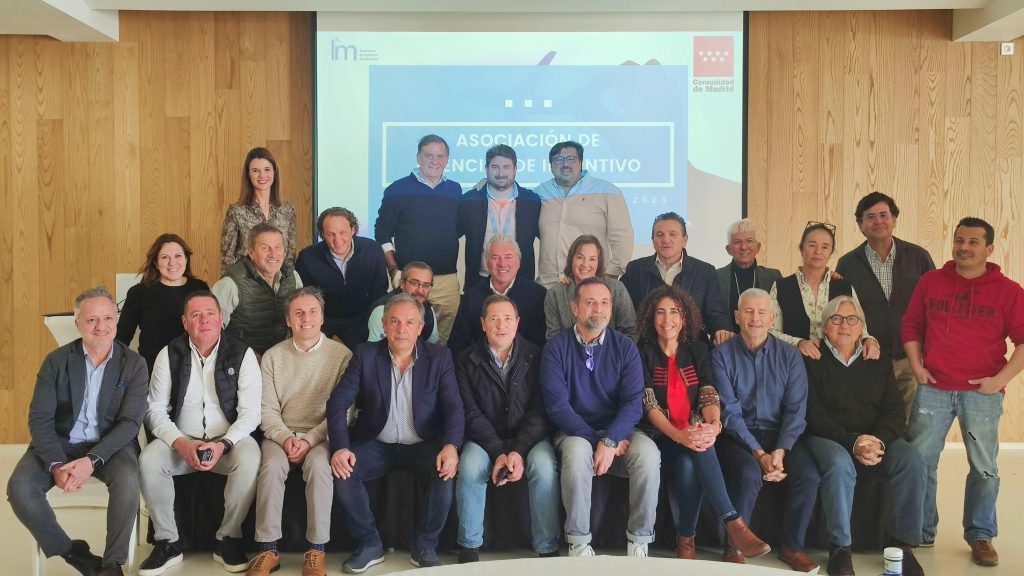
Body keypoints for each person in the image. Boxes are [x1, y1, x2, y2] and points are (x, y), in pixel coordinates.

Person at [903, 216, 1024, 568]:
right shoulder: (931, 282)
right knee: (920, 461)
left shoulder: (1009, 291)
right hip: (934, 389)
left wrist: (999, 380)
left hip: (981, 394)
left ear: (989, 249)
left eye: (973, 242)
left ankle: (980, 535)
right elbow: (911, 325)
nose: (964, 247)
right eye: (959, 240)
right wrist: (917, 366)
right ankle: (921, 530)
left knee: (984, 467)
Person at [7, 287, 148, 576]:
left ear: (116, 321)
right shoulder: (56, 361)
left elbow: (129, 423)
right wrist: (55, 464)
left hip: (110, 446)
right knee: (19, 488)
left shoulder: (134, 363)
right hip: (60, 443)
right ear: (77, 324)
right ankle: (74, 553)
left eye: (108, 318)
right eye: (92, 320)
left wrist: (91, 461)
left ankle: (112, 565)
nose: (101, 326)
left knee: (127, 480)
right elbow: (40, 419)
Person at [327, 294, 464, 572]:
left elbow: (454, 408)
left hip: (423, 443)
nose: (402, 329)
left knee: (446, 472)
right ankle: (369, 544)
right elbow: (337, 404)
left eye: (409, 322)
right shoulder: (365, 355)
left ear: (420, 328)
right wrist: (340, 447)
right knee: (344, 471)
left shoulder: (439, 358)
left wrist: (451, 446)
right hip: (377, 442)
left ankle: (425, 545)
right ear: (384, 325)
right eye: (395, 321)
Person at [635, 285, 769, 562]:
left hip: (694, 434)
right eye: (660, 312)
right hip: (660, 437)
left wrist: (714, 424)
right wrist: (678, 435)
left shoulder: (697, 349)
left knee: (690, 460)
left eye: (674, 312)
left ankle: (686, 539)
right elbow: (649, 405)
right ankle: (733, 524)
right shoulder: (642, 352)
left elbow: (709, 393)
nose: (667, 319)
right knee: (695, 448)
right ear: (651, 317)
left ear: (684, 317)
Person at [138, 291, 262, 576]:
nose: (204, 320)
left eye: (209, 314)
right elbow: (154, 410)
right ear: (185, 322)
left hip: (228, 441)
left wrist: (224, 444)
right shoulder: (169, 353)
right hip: (181, 441)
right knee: (149, 461)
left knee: (251, 457)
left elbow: (251, 413)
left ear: (221, 318)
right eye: (196, 315)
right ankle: (167, 542)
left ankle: (228, 538)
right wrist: (180, 442)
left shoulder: (242, 353)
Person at [804, 295, 925, 576]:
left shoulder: (877, 360)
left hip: (873, 439)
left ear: (862, 327)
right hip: (829, 438)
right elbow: (812, 414)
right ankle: (840, 548)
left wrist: (876, 441)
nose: (844, 325)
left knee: (912, 460)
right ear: (824, 327)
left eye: (852, 319)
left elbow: (895, 411)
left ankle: (903, 545)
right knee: (839, 463)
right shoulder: (812, 358)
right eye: (836, 319)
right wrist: (853, 441)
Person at [540, 277, 659, 557]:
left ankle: (639, 540)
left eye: (604, 302)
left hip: (619, 431)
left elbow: (633, 403)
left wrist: (612, 438)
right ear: (575, 308)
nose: (598, 309)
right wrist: (601, 441)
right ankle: (578, 542)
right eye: (590, 302)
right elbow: (558, 407)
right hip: (574, 431)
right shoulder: (556, 348)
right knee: (577, 452)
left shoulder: (625, 347)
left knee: (648, 454)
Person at [246, 287, 353, 576]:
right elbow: (266, 409)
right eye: (299, 313)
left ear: (322, 317)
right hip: (280, 433)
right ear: (288, 320)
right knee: (270, 467)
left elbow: (343, 412)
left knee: (320, 467)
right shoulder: (272, 356)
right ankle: (268, 550)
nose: (306, 319)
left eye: (313, 312)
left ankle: (316, 550)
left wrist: (309, 440)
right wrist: (285, 438)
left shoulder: (342, 356)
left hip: (321, 435)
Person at [712, 288, 820, 571]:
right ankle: (735, 546)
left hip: (781, 436)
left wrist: (780, 452)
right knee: (749, 473)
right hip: (738, 436)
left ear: (772, 319)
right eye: (748, 311)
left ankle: (792, 547)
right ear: (737, 316)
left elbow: (796, 411)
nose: (755, 318)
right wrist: (759, 454)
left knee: (808, 475)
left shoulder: (790, 356)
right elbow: (730, 413)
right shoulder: (721, 356)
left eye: (762, 312)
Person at [453, 295, 559, 562]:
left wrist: (518, 451)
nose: (501, 325)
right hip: (484, 439)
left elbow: (540, 410)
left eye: (508, 318)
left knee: (544, 468)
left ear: (518, 322)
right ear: (483, 323)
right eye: (494, 319)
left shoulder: (537, 356)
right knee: (470, 467)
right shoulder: (465, 360)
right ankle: (469, 546)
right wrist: (498, 451)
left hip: (529, 439)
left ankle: (547, 547)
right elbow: (470, 413)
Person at [836, 192, 935, 420]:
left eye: (884, 215)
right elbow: (842, 311)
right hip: (867, 357)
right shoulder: (848, 263)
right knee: (873, 420)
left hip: (911, 358)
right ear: (860, 225)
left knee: (912, 422)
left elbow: (934, 305)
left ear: (894, 220)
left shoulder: (918, 256)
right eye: (870, 217)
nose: (878, 221)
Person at [375, 134, 462, 344]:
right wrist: (393, 270)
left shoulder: (455, 189)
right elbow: (382, 233)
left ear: (447, 160)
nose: (434, 161)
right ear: (418, 158)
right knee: (404, 337)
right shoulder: (397, 190)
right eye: (428, 155)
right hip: (411, 281)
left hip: (446, 281)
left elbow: (458, 229)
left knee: (442, 343)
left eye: (440, 156)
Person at [770, 222, 880, 360]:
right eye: (812, 245)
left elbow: (860, 328)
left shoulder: (844, 287)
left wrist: (869, 340)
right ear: (801, 249)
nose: (818, 252)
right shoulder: (781, 286)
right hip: (793, 362)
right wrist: (798, 343)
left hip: (836, 365)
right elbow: (770, 331)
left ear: (831, 252)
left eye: (825, 247)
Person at [622, 212, 733, 345]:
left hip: (692, 348)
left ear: (685, 240)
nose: (666, 240)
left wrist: (721, 330)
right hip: (646, 349)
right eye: (660, 235)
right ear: (652, 240)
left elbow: (715, 314)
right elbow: (624, 314)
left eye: (672, 234)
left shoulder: (705, 272)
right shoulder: (635, 270)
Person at [534, 141, 633, 287]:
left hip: (590, 284)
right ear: (551, 165)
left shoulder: (607, 191)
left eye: (571, 159)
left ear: (580, 163)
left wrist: (610, 275)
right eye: (558, 159)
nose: (565, 164)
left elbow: (622, 237)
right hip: (548, 285)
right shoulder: (540, 192)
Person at [295, 207, 389, 348]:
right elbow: (304, 298)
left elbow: (379, 293)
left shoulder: (373, 250)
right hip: (323, 320)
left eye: (342, 233)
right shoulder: (307, 257)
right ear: (322, 234)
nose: (337, 239)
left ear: (353, 230)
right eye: (330, 234)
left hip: (361, 319)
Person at [116, 233, 209, 372]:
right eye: (165, 257)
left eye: (178, 256)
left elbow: (210, 330)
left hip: (193, 369)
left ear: (186, 259)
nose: (172, 262)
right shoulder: (139, 292)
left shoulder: (199, 288)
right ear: (156, 263)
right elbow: (121, 339)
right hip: (152, 369)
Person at [447, 234, 546, 355]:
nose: (502, 264)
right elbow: (457, 344)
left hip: (527, 364)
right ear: (487, 262)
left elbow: (542, 344)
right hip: (479, 364)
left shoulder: (538, 296)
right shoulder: (471, 297)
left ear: (518, 262)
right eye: (495, 258)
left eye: (508, 257)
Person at [458, 145, 541, 288]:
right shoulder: (470, 201)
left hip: (521, 283)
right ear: (486, 169)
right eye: (495, 167)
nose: (501, 173)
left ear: (515, 169)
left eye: (506, 167)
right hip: (480, 282)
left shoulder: (532, 201)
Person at [213, 222, 302, 355]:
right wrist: (246, 356)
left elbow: (301, 319)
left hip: (282, 355)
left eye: (278, 247)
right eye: (265, 248)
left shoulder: (293, 277)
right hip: (242, 357)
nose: (273, 254)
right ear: (251, 252)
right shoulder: (230, 284)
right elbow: (212, 330)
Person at [221, 147, 297, 275]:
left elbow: (289, 256)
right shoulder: (236, 211)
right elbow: (227, 260)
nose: (262, 175)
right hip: (246, 282)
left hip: (278, 282)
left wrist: (287, 283)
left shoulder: (287, 210)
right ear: (248, 175)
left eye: (267, 169)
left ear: (274, 172)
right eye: (255, 170)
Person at [544, 235, 636, 340]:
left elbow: (631, 332)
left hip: (613, 350)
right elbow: (553, 338)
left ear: (598, 263)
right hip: (568, 351)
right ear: (571, 259)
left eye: (592, 259)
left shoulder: (616, 289)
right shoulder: (555, 293)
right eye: (580, 257)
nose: (585, 264)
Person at [715, 219, 782, 331]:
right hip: (728, 340)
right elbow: (712, 315)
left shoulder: (773, 276)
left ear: (758, 247)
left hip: (765, 340)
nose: (744, 247)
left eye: (749, 241)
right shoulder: (716, 277)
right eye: (737, 242)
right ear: (728, 249)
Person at [366, 261, 439, 344]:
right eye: (414, 283)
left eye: (426, 285)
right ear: (402, 284)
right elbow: (375, 350)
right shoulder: (382, 310)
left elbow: (433, 346)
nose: (420, 290)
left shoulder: (428, 309)